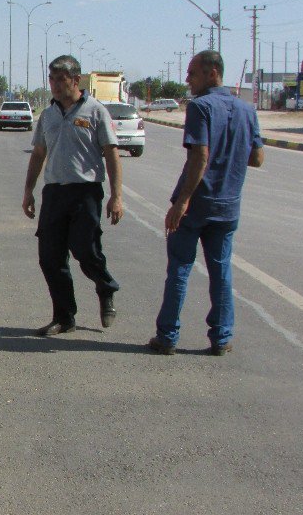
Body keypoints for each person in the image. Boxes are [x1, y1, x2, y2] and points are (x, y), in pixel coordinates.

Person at [148, 51, 264, 356]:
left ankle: (167, 336)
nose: (187, 79)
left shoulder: (200, 107)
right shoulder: (247, 110)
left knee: (180, 270)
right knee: (221, 272)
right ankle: (221, 338)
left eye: (192, 73)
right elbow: (257, 158)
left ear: (212, 73)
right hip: (227, 207)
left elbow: (199, 156)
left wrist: (181, 202)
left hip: (196, 205)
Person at [22, 55, 123, 336]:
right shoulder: (48, 115)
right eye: (51, 79)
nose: (54, 85)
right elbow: (39, 154)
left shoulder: (95, 111)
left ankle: (105, 286)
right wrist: (28, 190)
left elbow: (111, 155)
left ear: (76, 80)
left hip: (85, 192)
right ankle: (64, 316)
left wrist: (116, 196)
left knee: (85, 249)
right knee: (50, 257)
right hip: (54, 193)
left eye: (60, 79)